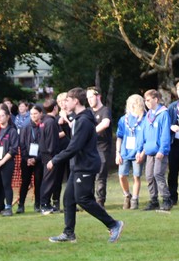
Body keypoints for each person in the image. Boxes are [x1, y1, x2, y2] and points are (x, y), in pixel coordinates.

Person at [46, 87, 124, 244]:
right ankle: (69, 233)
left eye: (67, 100)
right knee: (68, 198)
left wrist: (55, 160)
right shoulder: (79, 119)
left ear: (76, 101)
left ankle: (114, 224)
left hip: (86, 165)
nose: (64, 103)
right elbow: (74, 139)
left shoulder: (84, 121)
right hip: (78, 165)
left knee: (83, 199)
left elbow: (75, 146)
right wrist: (65, 125)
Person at [139, 89, 171, 211]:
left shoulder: (163, 114)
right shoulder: (148, 116)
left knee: (158, 174)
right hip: (149, 151)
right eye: (145, 100)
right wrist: (141, 150)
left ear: (156, 99)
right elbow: (144, 134)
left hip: (159, 151)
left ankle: (166, 199)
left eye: (148, 100)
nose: (146, 103)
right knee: (149, 176)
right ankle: (154, 200)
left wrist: (162, 150)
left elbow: (165, 134)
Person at [115, 94, 146, 210]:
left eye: (135, 103)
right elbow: (119, 137)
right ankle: (127, 195)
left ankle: (135, 199)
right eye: (131, 103)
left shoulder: (145, 118)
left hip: (138, 152)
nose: (133, 106)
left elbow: (147, 137)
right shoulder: (124, 119)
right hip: (125, 152)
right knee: (121, 175)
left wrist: (142, 152)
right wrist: (117, 152)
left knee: (136, 176)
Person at [38, 96, 68, 214]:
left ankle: (47, 203)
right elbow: (51, 140)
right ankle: (44, 204)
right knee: (49, 180)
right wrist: (54, 155)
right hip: (50, 155)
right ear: (55, 107)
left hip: (45, 154)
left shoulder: (44, 121)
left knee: (49, 179)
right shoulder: (51, 122)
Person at [87, 87, 113, 206]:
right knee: (89, 175)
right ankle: (89, 201)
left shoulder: (105, 110)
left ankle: (100, 202)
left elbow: (105, 123)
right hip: (90, 148)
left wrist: (90, 133)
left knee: (100, 176)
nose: (89, 100)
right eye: (87, 98)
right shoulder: (88, 112)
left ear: (98, 96)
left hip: (103, 148)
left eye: (91, 97)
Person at [16, 104, 43, 213]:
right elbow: (22, 144)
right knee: (25, 182)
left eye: (35, 113)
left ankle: (37, 204)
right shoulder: (25, 127)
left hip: (39, 160)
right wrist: (26, 158)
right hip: (26, 159)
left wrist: (36, 159)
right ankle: (21, 205)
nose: (33, 116)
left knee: (38, 182)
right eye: (31, 114)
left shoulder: (44, 127)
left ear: (41, 114)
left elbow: (45, 145)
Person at [167, 80, 179, 206]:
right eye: (178, 90)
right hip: (175, 141)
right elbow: (166, 122)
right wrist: (171, 127)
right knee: (173, 169)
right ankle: (172, 196)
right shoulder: (173, 107)